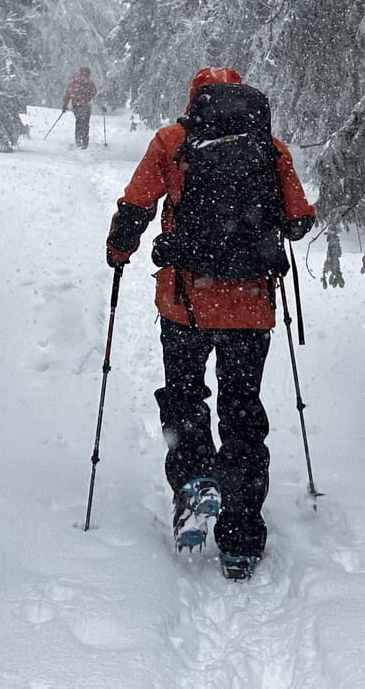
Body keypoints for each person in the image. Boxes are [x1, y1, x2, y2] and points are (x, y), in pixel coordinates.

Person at [105, 67, 315, 581]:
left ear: (195, 99)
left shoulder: (172, 141)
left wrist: (119, 250)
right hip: (251, 307)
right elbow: (298, 221)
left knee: (183, 396)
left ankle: (196, 478)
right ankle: (241, 539)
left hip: (186, 303)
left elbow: (136, 205)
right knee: (241, 411)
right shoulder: (271, 148)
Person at [62, 67, 99, 149]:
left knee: (79, 122)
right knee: (85, 123)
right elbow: (95, 94)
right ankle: (84, 141)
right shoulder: (89, 83)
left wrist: (65, 104)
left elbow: (67, 93)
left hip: (76, 105)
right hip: (86, 105)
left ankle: (78, 140)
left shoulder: (74, 82)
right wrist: (100, 104)